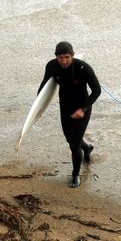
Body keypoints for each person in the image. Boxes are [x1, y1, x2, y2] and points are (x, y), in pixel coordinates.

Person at [38, 41, 101, 188]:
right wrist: (38, 108)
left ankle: (75, 175)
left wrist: (83, 109)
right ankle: (86, 148)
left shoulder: (83, 68)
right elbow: (43, 86)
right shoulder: (52, 66)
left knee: (73, 144)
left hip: (82, 108)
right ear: (56, 57)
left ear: (72, 55)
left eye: (67, 57)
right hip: (65, 107)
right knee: (70, 139)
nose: (64, 61)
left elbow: (97, 90)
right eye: (60, 57)